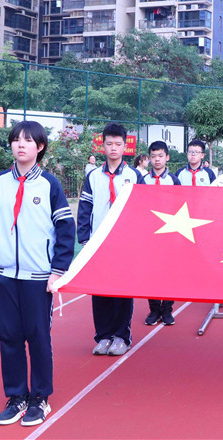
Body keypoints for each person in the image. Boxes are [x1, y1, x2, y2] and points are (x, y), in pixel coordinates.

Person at [0, 121, 76, 426]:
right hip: (2, 275)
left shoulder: (50, 185)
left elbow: (65, 230)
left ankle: (40, 397)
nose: (20, 145)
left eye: (28, 141)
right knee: (9, 337)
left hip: (37, 277)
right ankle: (16, 395)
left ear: (39, 147)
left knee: (38, 337)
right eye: (16, 140)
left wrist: (57, 271)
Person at [78, 123, 145, 356]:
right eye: (109, 144)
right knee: (100, 290)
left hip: (125, 243)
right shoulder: (93, 176)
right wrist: (84, 238)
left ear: (125, 146)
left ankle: (121, 336)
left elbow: (143, 208)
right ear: (102, 145)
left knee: (122, 290)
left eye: (118, 144)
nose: (113, 148)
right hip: (98, 242)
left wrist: (139, 240)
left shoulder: (134, 175)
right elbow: (85, 207)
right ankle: (103, 336)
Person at [141, 141, 180, 326]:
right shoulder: (143, 180)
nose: (157, 160)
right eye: (153, 156)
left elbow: (182, 206)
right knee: (151, 272)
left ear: (167, 157)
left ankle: (167, 310)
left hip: (170, 233)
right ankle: (154, 309)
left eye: (160, 156)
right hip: (149, 234)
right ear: (149, 159)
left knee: (170, 272)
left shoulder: (173, 180)